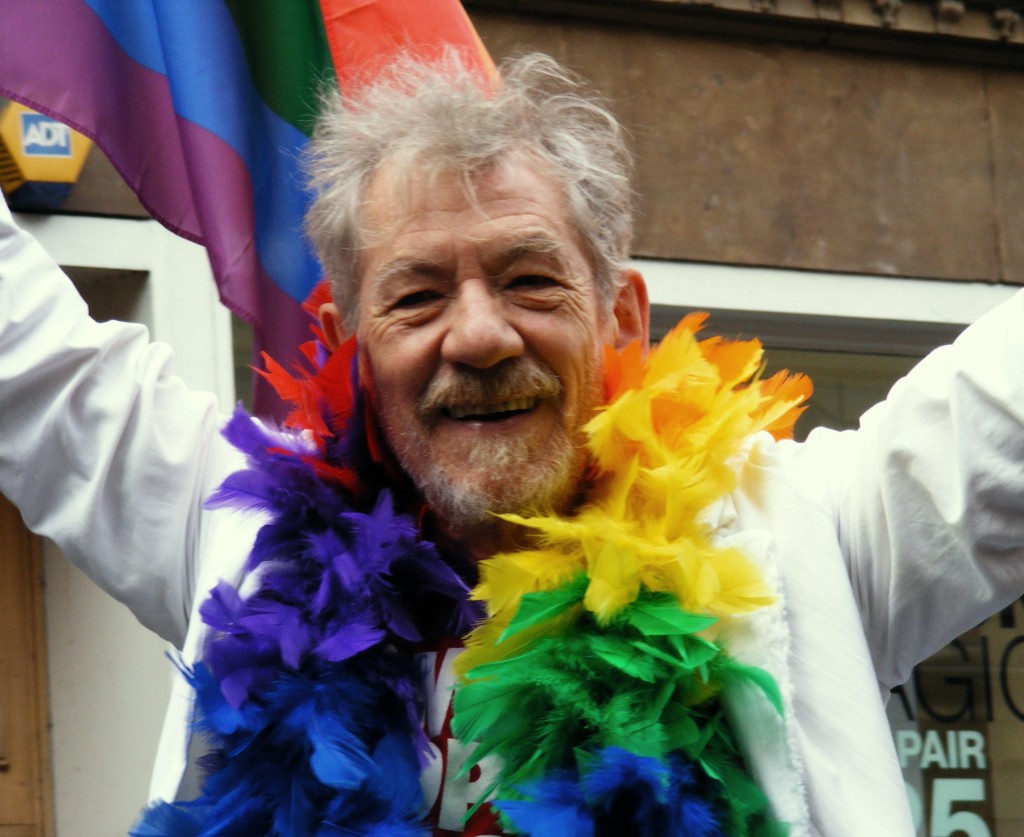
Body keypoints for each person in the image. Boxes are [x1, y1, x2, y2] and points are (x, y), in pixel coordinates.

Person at [1, 51, 1023, 836]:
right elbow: (30, 364)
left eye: (529, 279)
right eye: (417, 295)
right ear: (349, 345)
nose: (480, 336)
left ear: (620, 316)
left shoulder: (798, 538)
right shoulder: (236, 534)